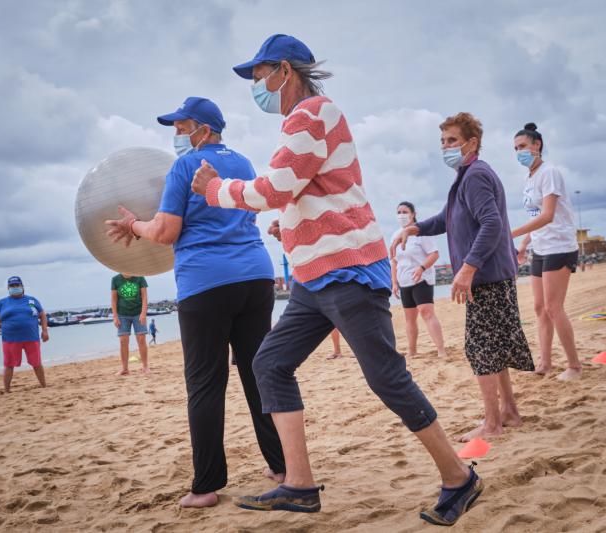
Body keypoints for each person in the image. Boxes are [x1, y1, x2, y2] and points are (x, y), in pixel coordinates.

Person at [191, 34, 481, 526]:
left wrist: (215, 188)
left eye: (258, 77)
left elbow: (275, 187)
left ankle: (459, 477)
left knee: (387, 378)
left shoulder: (313, 113)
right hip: (314, 279)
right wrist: (295, 225)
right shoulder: (298, 122)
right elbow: (308, 190)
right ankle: (299, 484)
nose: (256, 87)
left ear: (284, 70)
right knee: (270, 363)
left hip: (346, 271)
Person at [105, 96, 285, 509]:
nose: (176, 135)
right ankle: (280, 467)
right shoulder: (244, 163)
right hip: (256, 277)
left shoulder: (186, 166)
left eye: (181, 127)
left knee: (205, 383)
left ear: (203, 130)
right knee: (258, 374)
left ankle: (206, 487)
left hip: (206, 283)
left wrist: (134, 224)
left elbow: (167, 231)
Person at [392, 112, 534, 440]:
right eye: (443, 141)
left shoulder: (475, 176)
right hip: (492, 275)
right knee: (493, 346)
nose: (446, 147)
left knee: (480, 348)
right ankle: (508, 412)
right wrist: (415, 227)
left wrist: (467, 269)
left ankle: (492, 423)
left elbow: (491, 223)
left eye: (452, 141)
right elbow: (449, 218)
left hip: (487, 277)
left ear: (472, 143)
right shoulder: (465, 176)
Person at [511, 123, 582, 381]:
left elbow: (548, 215)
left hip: (559, 246)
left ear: (536, 145)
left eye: (522, 146)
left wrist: (512, 234)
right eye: (515, 148)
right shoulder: (530, 178)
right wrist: (523, 244)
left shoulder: (549, 172)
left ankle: (574, 366)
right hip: (539, 247)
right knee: (540, 308)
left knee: (554, 307)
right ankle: (545, 362)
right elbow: (535, 216)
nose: (519, 152)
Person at [390, 201, 446, 358]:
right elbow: (394, 261)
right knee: (410, 317)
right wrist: (394, 282)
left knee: (426, 312)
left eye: (405, 212)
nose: (401, 215)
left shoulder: (421, 232)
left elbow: (434, 254)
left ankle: (441, 350)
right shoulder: (395, 235)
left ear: (413, 214)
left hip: (422, 279)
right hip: (404, 280)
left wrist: (421, 268)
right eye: (399, 212)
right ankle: (412, 351)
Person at [0, 276, 48, 393]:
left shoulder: (32, 300)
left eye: (17, 285)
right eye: (12, 286)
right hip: (10, 340)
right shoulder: (2, 303)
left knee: (37, 363)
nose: (15, 287)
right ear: (8, 288)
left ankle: (44, 386)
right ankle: (7, 390)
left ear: (22, 286)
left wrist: (45, 331)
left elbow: (42, 315)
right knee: (9, 365)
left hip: (32, 337)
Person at [110, 273, 150, 375]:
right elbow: (114, 300)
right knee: (123, 341)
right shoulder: (115, 280)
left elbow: (145, 297)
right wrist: (115, 316)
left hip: (138, 313)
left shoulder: (140, 277)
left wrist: (143, 313)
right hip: (122, 315)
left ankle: (145, 367)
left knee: (141, 339)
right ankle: (125, 369)